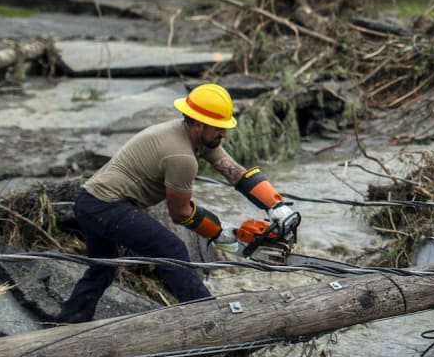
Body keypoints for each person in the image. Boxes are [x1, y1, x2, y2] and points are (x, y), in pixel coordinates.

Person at [54, 82, 300, 324]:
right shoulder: (181, 157)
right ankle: (209, 320)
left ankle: (69, 321)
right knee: (172, 251)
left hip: (89, 201)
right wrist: (222, 233)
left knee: (103, 268)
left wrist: (275, 205)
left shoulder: (196, 136)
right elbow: (180, 213)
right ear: (198, 123)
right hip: (106, 206)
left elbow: (233, 171)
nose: (223, 134)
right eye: (218, 128)